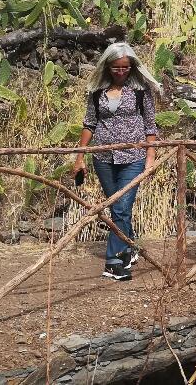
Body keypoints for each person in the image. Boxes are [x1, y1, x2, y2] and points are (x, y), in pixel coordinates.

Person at [72, 42, 162, 282]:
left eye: (125, 67)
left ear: (132, 67)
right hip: (103, 158)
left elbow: (150, 125)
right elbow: (89, 123)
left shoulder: (141, 91)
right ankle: (130, 245)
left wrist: (150, 158)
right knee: (117, 208)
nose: (121, 72)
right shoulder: (97, 91)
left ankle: (113, 261)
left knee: (121, 206)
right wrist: (80, 157)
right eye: (116, 68)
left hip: (133, 157)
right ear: (107, 66)